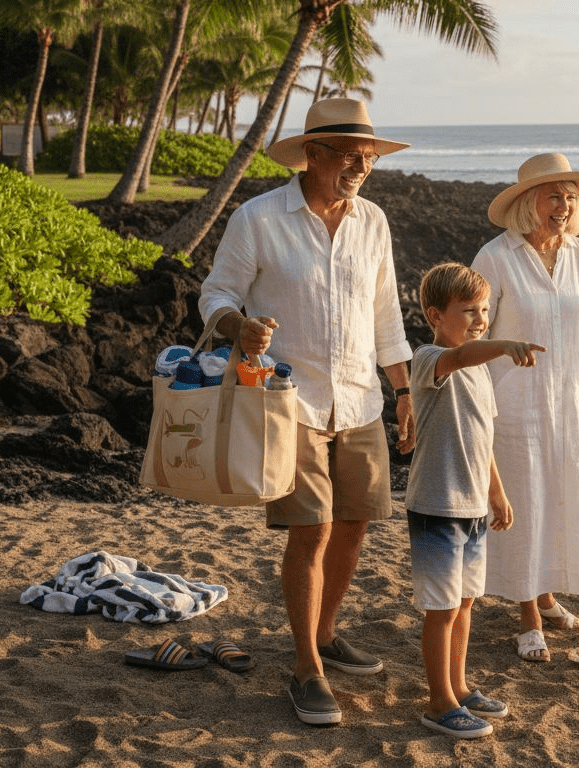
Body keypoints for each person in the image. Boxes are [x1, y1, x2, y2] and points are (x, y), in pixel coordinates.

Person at [198, 98, 413, 726]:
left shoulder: (373, 221)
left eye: (368, 156)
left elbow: (387, 316)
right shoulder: (258, 217)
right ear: (311, 154)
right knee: (312, 529)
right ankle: (305, 667)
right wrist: (238, 324)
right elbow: (217, 291)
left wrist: (402, 393)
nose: (361, 165)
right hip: (286, 401)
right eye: (349, 154)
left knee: (354, 523)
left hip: (361, 398)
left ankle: (324, 632)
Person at [473, 153, 579, 663]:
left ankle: (550, 595)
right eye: (553, 194)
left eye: (570, 196)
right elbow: (476, 333)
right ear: (528, 201)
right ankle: (528, 614)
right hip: (514, 401)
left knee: (563, 495)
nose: (563, 205)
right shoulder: (496, 256)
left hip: (573, 398)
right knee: (527, 503)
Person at [405, 262, 545, 739]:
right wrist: (503, 347)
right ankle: (438, 700)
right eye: (468, 311)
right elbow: (460, 359)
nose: (481, 318)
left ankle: (460, 687)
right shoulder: (427, 358)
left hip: (473, 509)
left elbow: (482, 440)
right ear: (435, 315)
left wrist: (498, 493)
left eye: (485, 310)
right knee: (441, 608)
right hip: (437, 505)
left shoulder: (480, 372)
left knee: (466, 603)